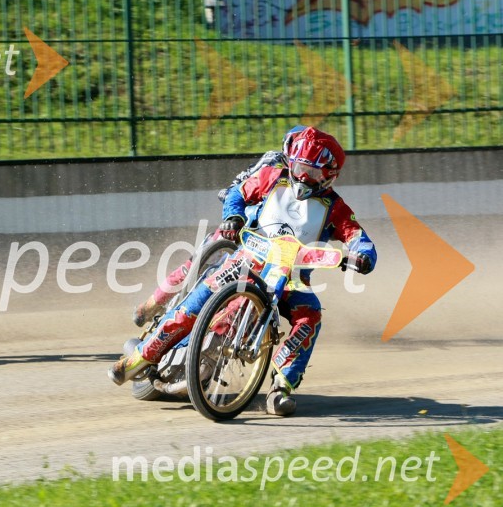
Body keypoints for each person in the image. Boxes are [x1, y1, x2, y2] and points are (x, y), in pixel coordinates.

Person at [110, 127, 377, 416]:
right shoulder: (272, 176)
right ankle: (140, 358)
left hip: (292, 281)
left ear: (329, 175)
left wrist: (362, 256)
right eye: (300, 168)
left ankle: (281, 387)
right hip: (245, 261)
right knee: (192, 306)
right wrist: (233, 217)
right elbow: (237, 193)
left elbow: (358, 237)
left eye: (311, 173)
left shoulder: (336, 208)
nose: (302, 177)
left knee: (310, 317)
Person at [132, 125, 306, 327]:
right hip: (243, 225)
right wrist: (231, 198)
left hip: (271, 241)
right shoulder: (272, 160)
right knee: (195, 264)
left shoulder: (311, 183)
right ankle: (150, 306)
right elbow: (240, 183)